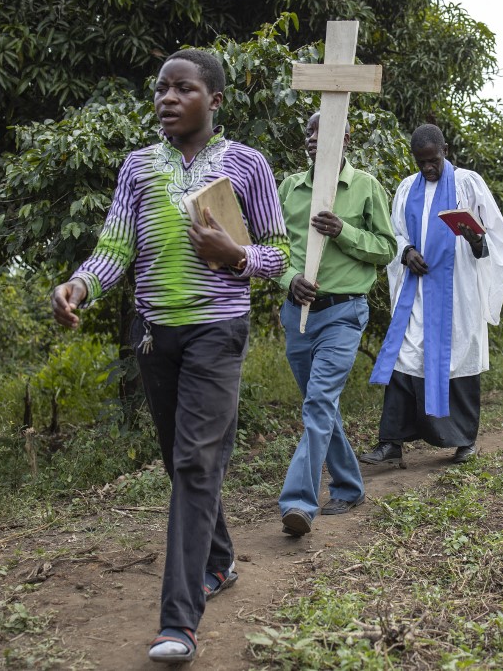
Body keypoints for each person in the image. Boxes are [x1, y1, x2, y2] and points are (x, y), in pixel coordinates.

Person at [51, 49, 289, 664]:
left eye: (182, 88)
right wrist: (80, 286)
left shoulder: (248, 165)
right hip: (154, 333)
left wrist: (233, 253)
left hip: (219, 331)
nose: (166, 99)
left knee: (194, 464)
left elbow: (278, 255)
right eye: (161, 89)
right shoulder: (137, 167)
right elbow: (114, 246)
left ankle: (178, 623)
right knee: (179, 460)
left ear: (214, 99)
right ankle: (219, 558)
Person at [363, 124, 503, 465]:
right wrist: (406, 252)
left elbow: (498, 237)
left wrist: (477, 241)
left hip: (458, 293)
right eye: (421, 162)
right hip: (416, 291)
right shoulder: (405, 188)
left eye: (433, 160)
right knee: (405, 356)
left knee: (457, 359)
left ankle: (464, 441)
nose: (428, 168)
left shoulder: (468, 183)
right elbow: (395, 232)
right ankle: (392, 442)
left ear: (444, 150)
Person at [276, 112, 396, 537]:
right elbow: (275, 249)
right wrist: (289, 280)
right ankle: (348, 484)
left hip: (344, 313)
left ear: (345, 139)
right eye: (308, 131)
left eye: (323, 132)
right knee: (321, 405)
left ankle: (297, 503)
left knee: (317, 403)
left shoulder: (365, 186)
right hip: (299, 316)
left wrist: (344, 231)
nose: (313, 139)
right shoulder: (290, 188)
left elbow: (386, 249)